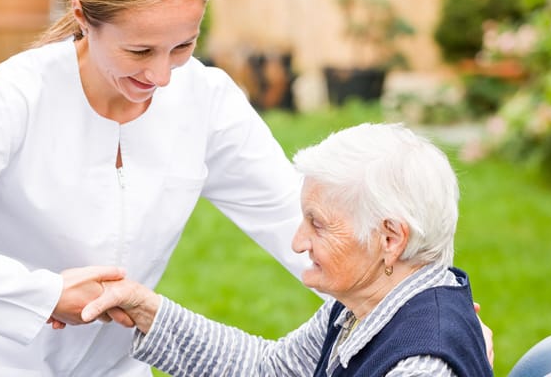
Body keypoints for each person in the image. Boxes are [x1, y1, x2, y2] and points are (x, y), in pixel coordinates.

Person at [0, 0, 492, 376]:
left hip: (117, 363)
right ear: (83, 17)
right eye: (139, 52)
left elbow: (306, 226)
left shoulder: (205, 99)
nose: (162, 77)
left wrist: (427, 311)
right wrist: (42, 294)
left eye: (183, 47)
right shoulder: (17, 97)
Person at [78, 123, 495, 376]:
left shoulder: (420, 365)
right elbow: (269, 371)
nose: (298, 242)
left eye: (317, 223)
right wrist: (146, 311)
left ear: (389, 239)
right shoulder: (364, 306)